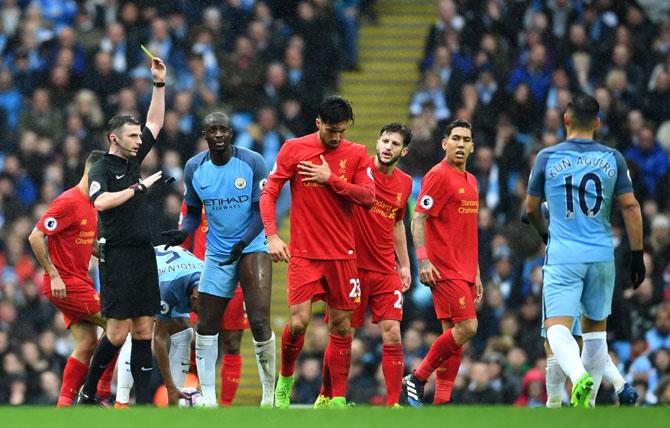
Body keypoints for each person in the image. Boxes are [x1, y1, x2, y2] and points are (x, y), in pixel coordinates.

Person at [524, 94, 645, 407]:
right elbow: (630, 206)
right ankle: (587, 408)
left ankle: (578, 378)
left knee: (556, 329)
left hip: (564, 255)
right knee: (594, 335)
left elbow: (531, 208)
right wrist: (636, 254)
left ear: (566, 120)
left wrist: (544, 233)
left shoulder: (546, 157)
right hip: (602, 254)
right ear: (598, 123)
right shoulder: (613, 158)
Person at [260, 95, 375, 408]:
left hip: (343, 255)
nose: (337, 137)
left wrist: (331, 179)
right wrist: (271, 235)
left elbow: (368, 197)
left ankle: (335, 398)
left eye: (342, 131)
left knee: (341, 327)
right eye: (331, 131)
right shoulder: (294, 149)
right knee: (298, 323)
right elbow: (269, 193)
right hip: (306, 254)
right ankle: (284, 380)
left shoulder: (357, 154)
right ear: (318, 124)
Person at [162, 111, 275, 407]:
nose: (219, 134)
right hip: (216, 252)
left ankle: (269, 396)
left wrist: (242, 242)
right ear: (204, 135)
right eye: (213, 130)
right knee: (206, 325)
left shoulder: (252, 162)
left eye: (224, 129)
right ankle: (209, 399)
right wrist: (181, 234)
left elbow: (262, 211)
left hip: (252, 246)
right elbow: (192, 211)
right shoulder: (194, 168)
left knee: (261, 321)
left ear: (231, 133)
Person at [77, 57, 168, 405]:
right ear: (115, 138)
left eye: (137, 136)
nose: (138, 140)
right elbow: (99, 202)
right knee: (116, 332)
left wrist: (159, 84)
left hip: (142, 252)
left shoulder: (132, 159)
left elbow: (155, 122)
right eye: (132, 136)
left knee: (145, 329)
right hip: (116, 255)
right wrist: (138, 189)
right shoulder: (102, 167)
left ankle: (142, 405)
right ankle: (88, 393)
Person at [315, 123, 412, 408]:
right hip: (351, 265)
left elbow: (397, 223)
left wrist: (404, 265)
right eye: (384, 141)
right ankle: (330, 395)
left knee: (393, 331)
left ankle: (394, 404)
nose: (387, 147)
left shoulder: (405, 183)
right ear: (377, 142)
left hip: (385, 269)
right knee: (342, 330)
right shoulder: (358, 168)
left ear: (403, 151)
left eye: (395, 144)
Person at [402, 119, 483, 407]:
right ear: (444, 143)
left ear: (472, 147)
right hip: (443, 268)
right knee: (468, 327)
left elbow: (468, 231)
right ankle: (418, 377)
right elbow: (418, 219)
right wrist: (422, 261)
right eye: (456, 138)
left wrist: (477, 272)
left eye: (466, 140)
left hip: (465, 268)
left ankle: (442, 401)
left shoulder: (471, 181)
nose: (461, 144)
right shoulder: (437, 175)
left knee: (454, 334)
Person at [28, 150, 111, 407]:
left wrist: (101, 248)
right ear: (92, 173)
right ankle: (99, 392)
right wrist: (53, 275)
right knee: (118, 323)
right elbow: (35, 236)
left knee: (86, 343)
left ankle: (63, 408)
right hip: (66, 283)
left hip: (79, 282)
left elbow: (81, 241)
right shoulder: (68, 201)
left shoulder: (91, 205)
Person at [178, 202, 250, 407]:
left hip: (235, 279)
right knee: (193, 339)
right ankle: (194, 394)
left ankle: (225, 409)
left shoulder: (242, 194)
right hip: (201, 280)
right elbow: (183, 240)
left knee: (232, 343)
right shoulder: (196, 194)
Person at [114, 246, 201, 407]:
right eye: (197, 308)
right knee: (138, 329)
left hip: (175, 274)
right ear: (194, 297)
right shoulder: (170, 290)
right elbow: (159, 339)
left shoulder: (209, 284)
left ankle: (176, 399)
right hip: (138, 272)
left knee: (185, 333)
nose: (197, 312)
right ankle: (122, 402)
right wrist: (168, 386)